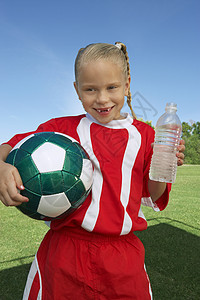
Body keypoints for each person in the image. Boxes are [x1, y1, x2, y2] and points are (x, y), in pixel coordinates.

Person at [0, 42, 185, 300]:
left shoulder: (146, 136)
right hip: (64, 252)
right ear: (77, 90)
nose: (102, 98)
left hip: (122, 257)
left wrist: (163, 163)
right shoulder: (60, 129)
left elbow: (154, 195)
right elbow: (10, 147)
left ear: (127, 85)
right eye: (90, 89)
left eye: (112, 88)